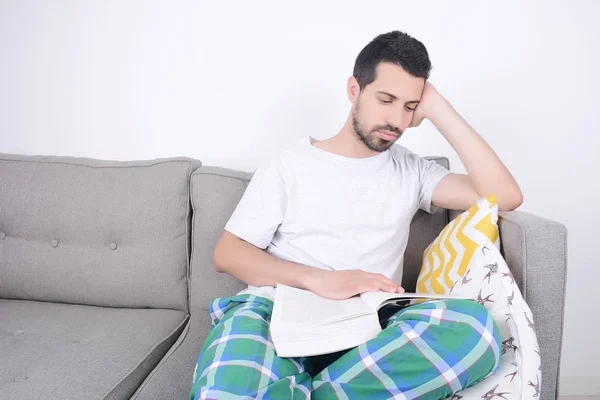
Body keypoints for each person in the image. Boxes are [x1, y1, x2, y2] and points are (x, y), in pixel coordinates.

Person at [189, 30, 523, 400]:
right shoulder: (290, 162)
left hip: (370, 325)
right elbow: (228, 254)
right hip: (274, 310)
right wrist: (319, 280)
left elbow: (505, 196)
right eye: (386, 99)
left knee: (476, 332)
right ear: (354, 90)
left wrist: (438, 108)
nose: (396, 119)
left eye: (409, 107)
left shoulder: (414, 171)